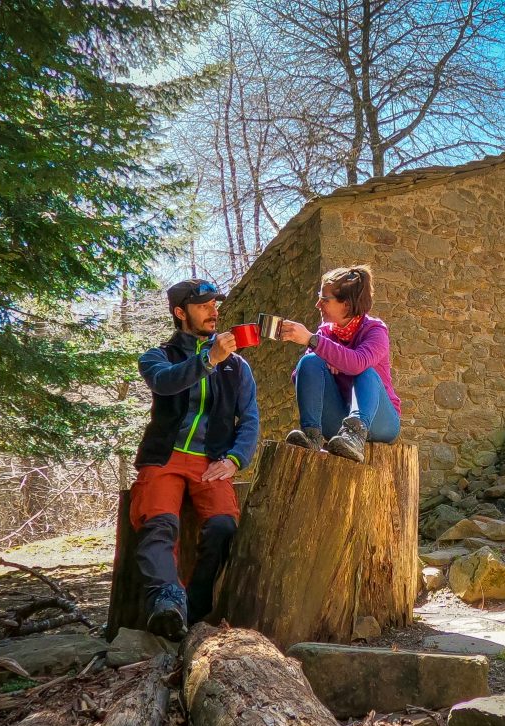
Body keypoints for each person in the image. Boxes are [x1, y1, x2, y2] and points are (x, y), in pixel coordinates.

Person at [130, 278, 259, 641]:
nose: (214, 311)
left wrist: (235, 459)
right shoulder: (158, 357)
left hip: (212, 460)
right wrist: (207, 359)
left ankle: (195, 606)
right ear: (180, 312)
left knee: (223, 528)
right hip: (164, 458)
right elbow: (166, 383)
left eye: (215, 304)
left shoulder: (237, 367)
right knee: (159, 526)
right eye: (204, 305)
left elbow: (249, 419)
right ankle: (167, 601)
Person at [279, 265, 401, 462]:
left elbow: (357, 364)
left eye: (325, 300)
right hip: (337, 422)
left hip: (380, 423)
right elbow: (301, 376)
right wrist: (328, 357)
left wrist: (316, 343)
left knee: (366, 372)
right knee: (309, 361)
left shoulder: (375, 331)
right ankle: (312, 435)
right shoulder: (325, 333)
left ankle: (355, 435)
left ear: (346, 304)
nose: (318, 305)